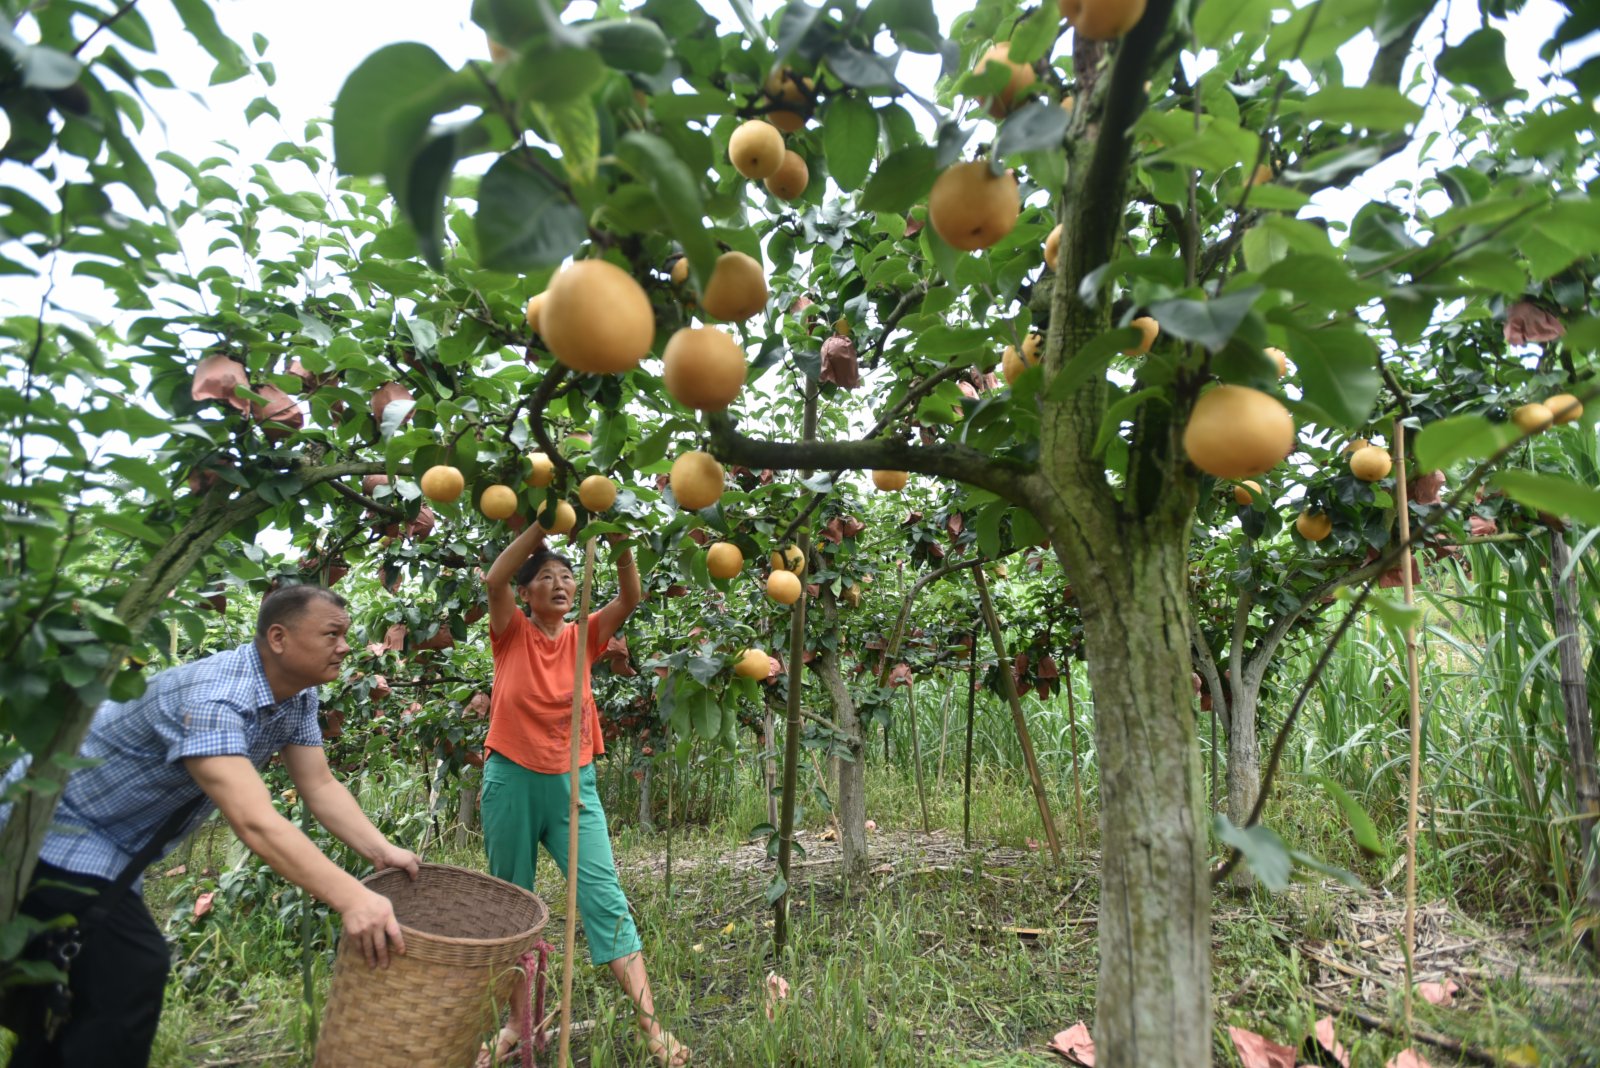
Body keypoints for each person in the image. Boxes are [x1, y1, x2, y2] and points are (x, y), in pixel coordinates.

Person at [0, 584, 418, 1067]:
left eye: (345, 635)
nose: (345, 646)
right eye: (332, 633)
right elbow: (254, 821)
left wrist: (381, 851)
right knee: (130, 969)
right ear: (278, 638)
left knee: (80, 990)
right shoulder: (215, 696)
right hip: (55, 829)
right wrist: (352, 897)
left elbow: (319, 785)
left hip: (113, 848)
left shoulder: (297, 698)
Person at [477, 521, 688, 1067]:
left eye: (567, 575)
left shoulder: (584, 636)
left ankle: (652, 1028)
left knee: (604, 899)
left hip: (574, 783)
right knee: (514, 905)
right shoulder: (511, 632)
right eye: (545, 577)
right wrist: (541, 528)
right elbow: (495, 578)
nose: (559, 583)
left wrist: (618, 541)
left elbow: (631, 596)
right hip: (512, 780)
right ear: (527, 594)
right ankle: (515, 1025)